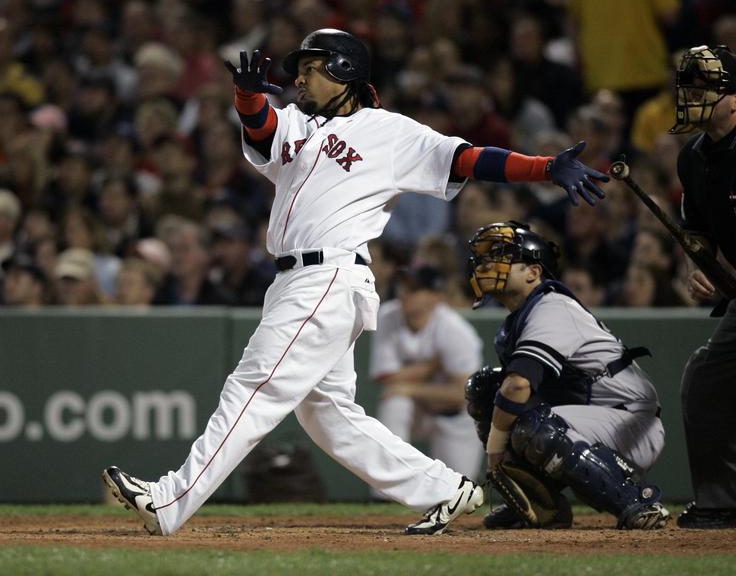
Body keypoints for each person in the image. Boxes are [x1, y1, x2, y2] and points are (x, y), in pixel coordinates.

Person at [102, 28, 609, 537]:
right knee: (327, 416)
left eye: (312, 67)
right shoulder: (297, 122)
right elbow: (261, 132)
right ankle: (444, 489)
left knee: (255, 386)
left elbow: (467, 158)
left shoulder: (389, 132)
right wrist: (247, 95)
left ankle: (172, 499)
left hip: (328, 275)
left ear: (345, 70)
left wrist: (543, 167)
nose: (299, 76)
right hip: (295, 279)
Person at [464, 221, 668, 530]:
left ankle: (637, 501)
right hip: (592, 418)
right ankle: (541, 503)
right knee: (486, 388)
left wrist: (496, 451)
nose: (489, 263)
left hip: (632, 423)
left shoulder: (552, 307)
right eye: (487, 257)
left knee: (533, 423)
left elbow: (519, 385)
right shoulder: (521, 318)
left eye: (505, 256)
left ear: (534, 272)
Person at [669, 45, 736, 528]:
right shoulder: (692, 157)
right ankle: (720, 501)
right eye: (689, 87)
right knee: (705, 382)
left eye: (703, 88)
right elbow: (699, 232)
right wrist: (703, 265)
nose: (691, 96)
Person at [370, 263, 484, 480]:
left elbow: (463, 393)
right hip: (416, 410)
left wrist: (410, 387)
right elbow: (386, 377)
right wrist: (432, 366)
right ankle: (386, 489)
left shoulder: (455, 329)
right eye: (403, 287)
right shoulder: (388, 315)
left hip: (455, 415)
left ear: (435, 296)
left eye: (414, 289)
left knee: (459, 488)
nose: (404, 294)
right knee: (395, 404)